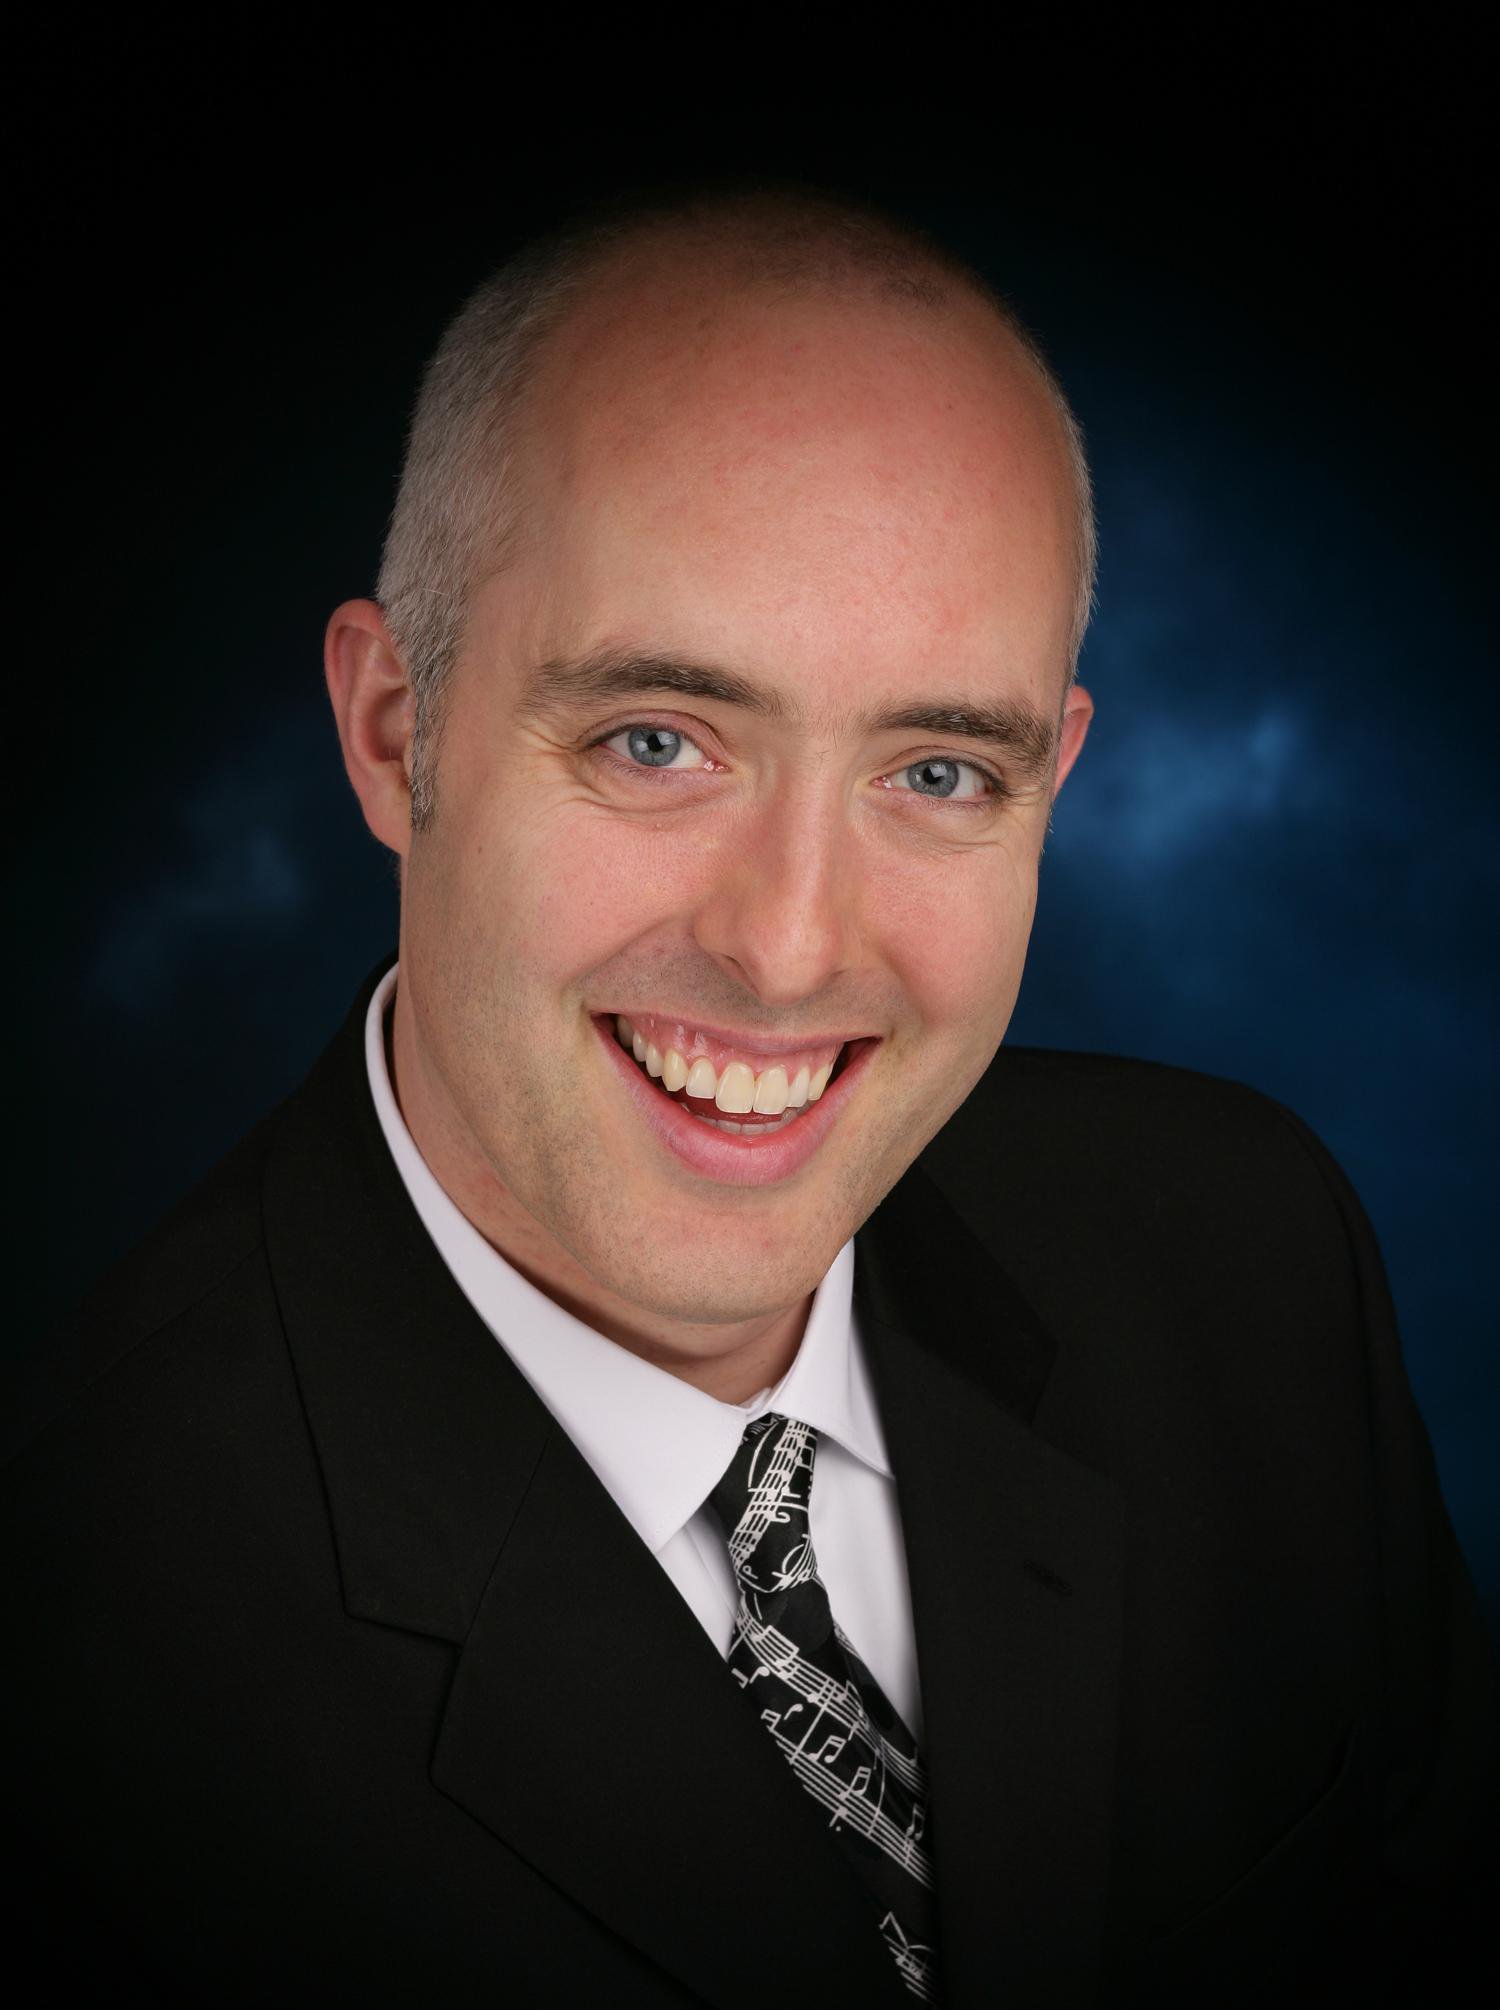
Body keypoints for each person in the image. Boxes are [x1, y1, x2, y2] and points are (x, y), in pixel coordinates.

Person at [6, 180, 1495, 2008]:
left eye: (938, 771)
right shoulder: (74, 1658)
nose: (788, 951)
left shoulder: (1248, 1265)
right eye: (657, 742)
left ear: (1055, 782)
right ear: (397, 732)